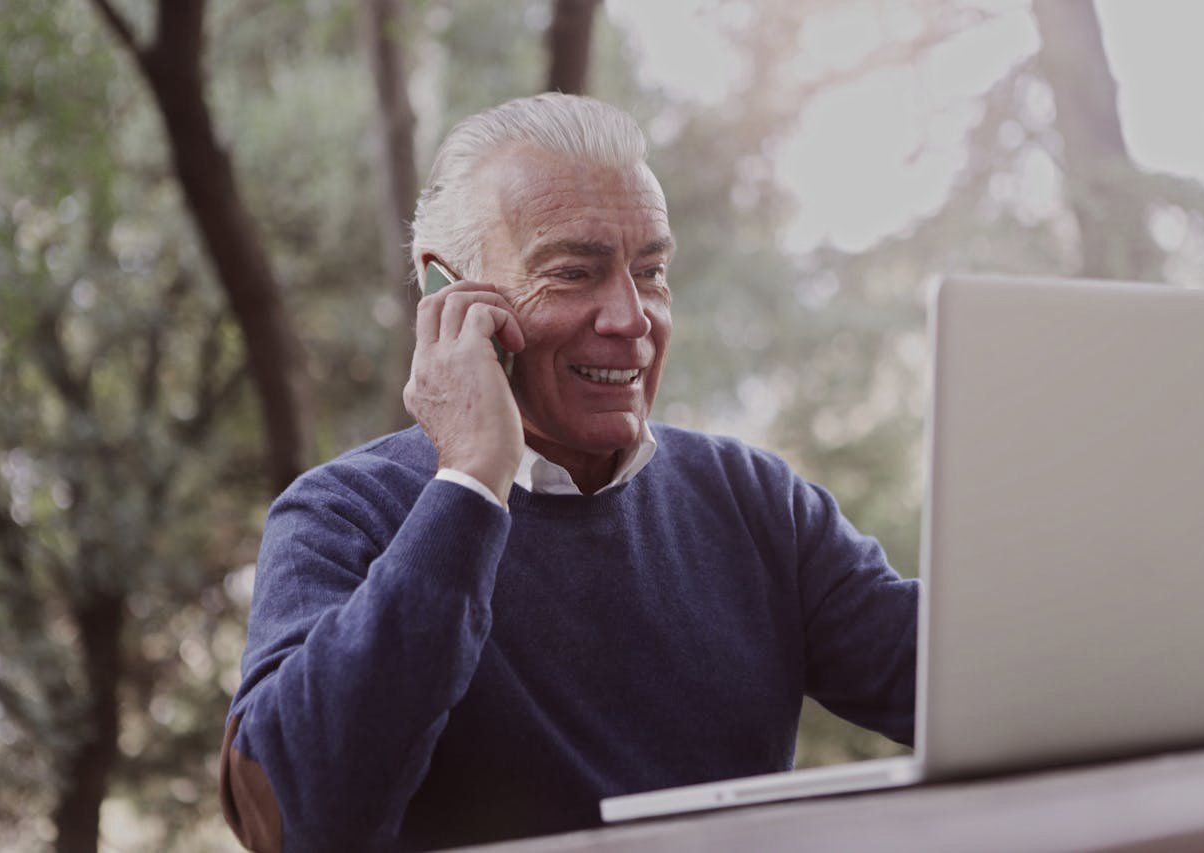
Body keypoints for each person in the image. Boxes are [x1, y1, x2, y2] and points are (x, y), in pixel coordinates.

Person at [219, 93, 917, 852]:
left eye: (650, 272)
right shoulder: (342, 513)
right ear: (444, 292)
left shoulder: (755, 502)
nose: (630, 318)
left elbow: (965, 683)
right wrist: (470, 482)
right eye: (575, 272)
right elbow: (290, 817)